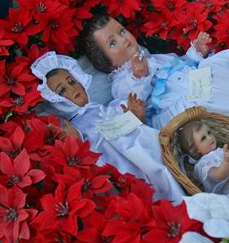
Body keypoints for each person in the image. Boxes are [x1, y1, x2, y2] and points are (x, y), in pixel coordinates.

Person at [80, 15, 229, 140]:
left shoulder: (154, 57)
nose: (124, 39)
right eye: (112, 43)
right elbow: (132, 99)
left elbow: (179, 63)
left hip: (195, 83)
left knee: (219, 62)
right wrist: (140, 77)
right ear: (109, 64)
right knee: (220, 97)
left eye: (122, 31)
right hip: (178, 107)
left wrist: (195, 53)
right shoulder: (121, 80)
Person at [30, 51, 185, 203]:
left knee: (162, 162)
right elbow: (87, 155)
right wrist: (75, 141)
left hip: (143, 146)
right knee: (148, 180)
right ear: (56, 101)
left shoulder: (110, 108)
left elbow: (137, 127)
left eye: (71, 81)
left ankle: (181, 183)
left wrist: (137, 116)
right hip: (120, 162)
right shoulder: (76, 127)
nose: (72, 89)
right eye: (62, 90)